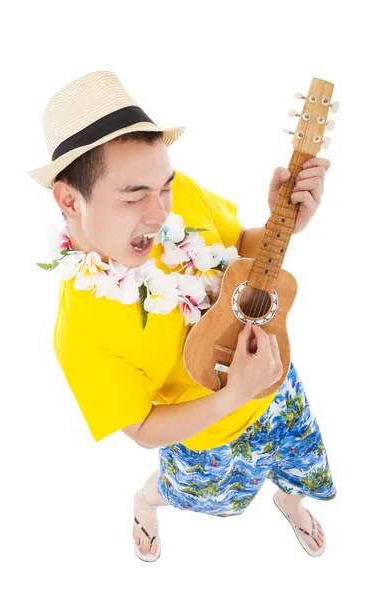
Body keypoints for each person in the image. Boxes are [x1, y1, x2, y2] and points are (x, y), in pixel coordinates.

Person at [28, 70, 336, 563]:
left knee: (305, 466)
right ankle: (146, 503)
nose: (158, 214)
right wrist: (234, 394)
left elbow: (242, 251)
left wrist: (286, 225)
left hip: (276, 385)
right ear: (69, 199)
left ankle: (289, 500)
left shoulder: (177, 197)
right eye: (133, 196)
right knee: (193, 496)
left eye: (164, 187)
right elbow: (144, 428)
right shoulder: (80, 333)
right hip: (205, 440)